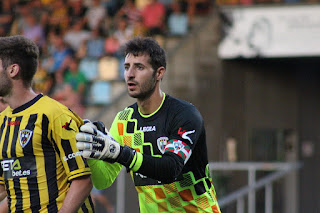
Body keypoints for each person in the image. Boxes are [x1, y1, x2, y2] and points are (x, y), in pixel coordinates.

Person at [76, 37, 221, 212]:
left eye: (139, 67)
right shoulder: (124, 120)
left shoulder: (184, 114)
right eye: (127, 67)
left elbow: (170, 169)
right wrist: (91, 152)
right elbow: (103, 180)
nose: (130, 74)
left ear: (159, 73)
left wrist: (120, 153)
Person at [0, 35, 94, 212]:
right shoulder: (2, 121)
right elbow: (6, 184)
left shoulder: (55, 115)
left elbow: (82, 180)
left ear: (13, 70)